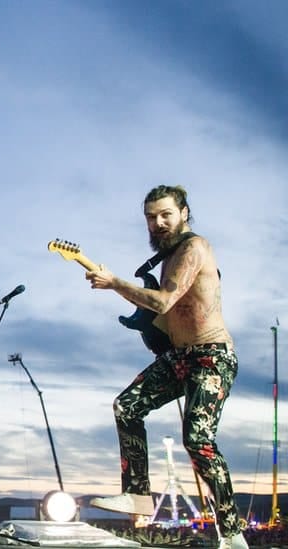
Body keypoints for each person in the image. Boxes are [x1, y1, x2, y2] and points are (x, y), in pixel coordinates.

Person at [85, 185, 246, 549]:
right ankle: (138, 495)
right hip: (180, 357)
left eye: (165, 215)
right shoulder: (165, 259)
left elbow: (164, 300)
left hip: (212, 356)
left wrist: (114, 283)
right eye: (150, 217)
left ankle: (233, 534)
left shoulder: (194, 247)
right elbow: (163, 316)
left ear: (184, 213)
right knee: (126, 406)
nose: (157, 223)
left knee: (198, 440)